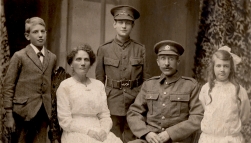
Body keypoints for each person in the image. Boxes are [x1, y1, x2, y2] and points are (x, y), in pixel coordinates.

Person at [127, 40, 204, 143]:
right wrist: (146, 133)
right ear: (158, 62)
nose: (167, 63)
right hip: (151, 140)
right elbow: (134, 112)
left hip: (178, 140)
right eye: (163, 58)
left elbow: (197, 117)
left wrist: (170, 133)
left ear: (178, 61)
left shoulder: (190, 85)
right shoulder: (149, 85)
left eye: (171, 59)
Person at [95, 5, 150, 143]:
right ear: (114, 24)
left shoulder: (140, 49)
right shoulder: (104, 49)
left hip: (135, 101)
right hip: (112, 101)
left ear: (133, 25)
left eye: (128, 23)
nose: (124, 26)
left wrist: (142, 102)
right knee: (112, 138)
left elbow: (147, 80)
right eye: (120, 22)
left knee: (134, 139)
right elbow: (99, 80)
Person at [2, 17, 57, 143]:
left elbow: (52, 86)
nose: (40, 35)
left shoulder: (52, 57)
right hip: (23, 113)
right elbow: (8, 86)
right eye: (35, 32)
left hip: (43, 113)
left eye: (43, 31)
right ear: (27, 36)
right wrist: (9, 115)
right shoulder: (19, 56)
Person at [56, 44, 122, 143]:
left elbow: (105, 115)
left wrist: (104, 130)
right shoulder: (65, 86)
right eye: (78, 59)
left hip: (99, 130)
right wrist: (88, 131)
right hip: (75, 132)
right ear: (71, 64)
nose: (83, 63)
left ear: (90, 63)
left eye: (86, 60)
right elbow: (65, 121)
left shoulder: (98, 85)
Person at [198, 46, 250, 143]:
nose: (222, 69)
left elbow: (244, 117)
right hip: (209, 139)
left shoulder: (239, 90)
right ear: (213, 67)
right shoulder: (206, 89)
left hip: (230, 139)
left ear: (231, 69)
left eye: (226, 66)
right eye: (218, 65)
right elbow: (205, 109)